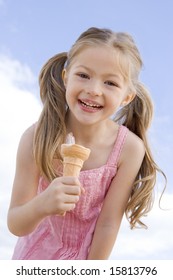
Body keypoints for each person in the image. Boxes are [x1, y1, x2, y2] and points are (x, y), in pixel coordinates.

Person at [7, 27, 166, 260]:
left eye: (110, 83)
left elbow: (108, 225)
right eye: (83, 75)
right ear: (65, 77)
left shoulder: (129, 149)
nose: (93, 90)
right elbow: (16, 224)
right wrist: (42, 204)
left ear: (127, 97)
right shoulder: (36, 137)